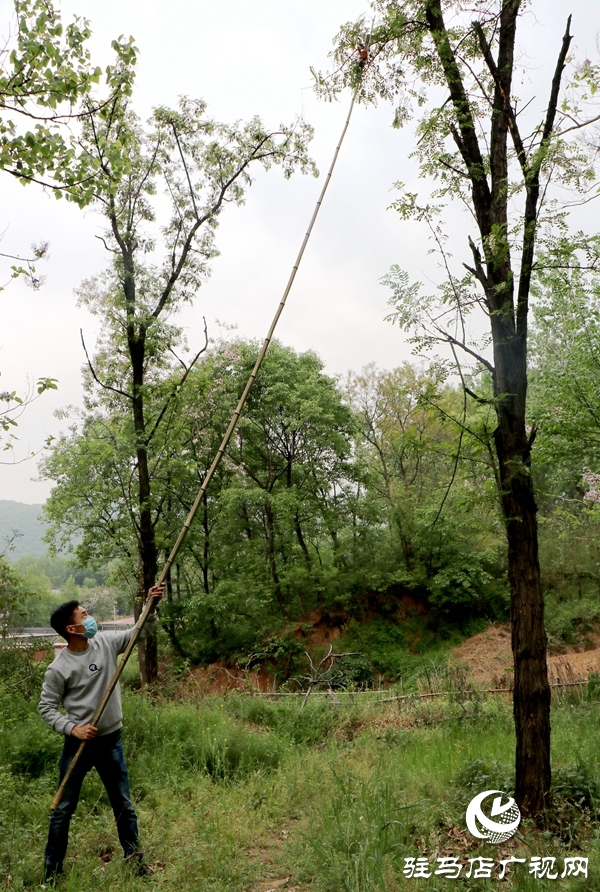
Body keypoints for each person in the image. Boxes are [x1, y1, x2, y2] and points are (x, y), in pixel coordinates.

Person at [39, 584, 165, 883]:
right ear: (71, 628)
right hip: (78, 746)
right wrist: (73, 728)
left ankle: (136, 863)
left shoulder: (106, 643)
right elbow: (46, 707)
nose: (90, 617)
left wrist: (152, 604)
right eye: (84, 615)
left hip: (111, 741)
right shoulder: (59, 668)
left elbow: (139, 632)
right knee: (63, 810)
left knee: (123, 805)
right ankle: (51, 873)